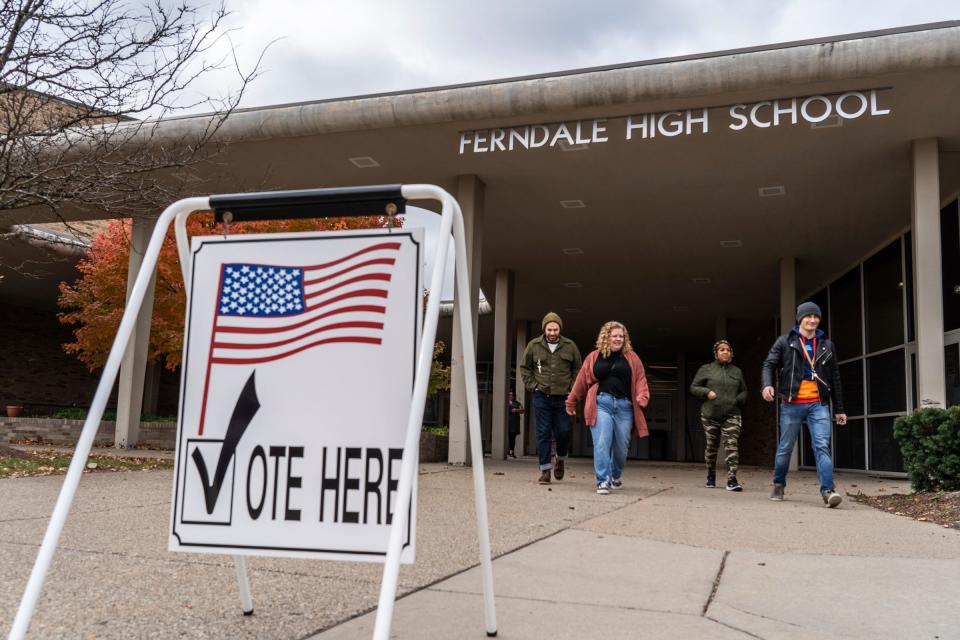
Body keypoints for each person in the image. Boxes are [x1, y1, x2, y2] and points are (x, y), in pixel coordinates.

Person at [762, 301, 848, 507]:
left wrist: (839, 409)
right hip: (791, 404)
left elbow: (835, 377)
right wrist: (766, 385)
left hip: (819, 404)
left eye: (816, 317)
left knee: (822, 447)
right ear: (800, 319)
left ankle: (828, 491)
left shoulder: (827, 345)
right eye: (808, 316)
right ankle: (778, 483)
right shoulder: (785, 342)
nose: (812, 320)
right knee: (785, 447)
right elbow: (769, 364)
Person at [566, 321, 649, 494]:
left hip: (624, 407)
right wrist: (571, 401)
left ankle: (615, 475)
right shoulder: (594, 357)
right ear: (606, 337)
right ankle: (603, 481)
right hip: (601, 404)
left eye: (621, 336)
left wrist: (642, 396)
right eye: (615, 336)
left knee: (622, 447)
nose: (618, 339)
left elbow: (641, 379)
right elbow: (581, 380)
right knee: (602, 442)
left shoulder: (632, 357)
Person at [520, 312, 582, 484]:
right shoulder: (533, 345)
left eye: (555, 329)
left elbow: (578, 369)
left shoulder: (570, 346)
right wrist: (533, 386)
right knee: (543, 433)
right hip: (541, 396)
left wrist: (573, 388)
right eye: (549, 329)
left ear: (560, 329)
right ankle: (545, 469)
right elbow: (525, 368)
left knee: (563, 431)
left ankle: (560, 459)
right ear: (544, 329)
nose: (552, 332)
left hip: (564, 397)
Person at [690, 340, 748, 491]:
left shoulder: (737, 371)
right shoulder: (706, 369)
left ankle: (732, 479)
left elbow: (744, 391)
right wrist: (706, 392)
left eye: (728, 350)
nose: (725, 352)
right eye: (722, 350)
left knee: (731, 444)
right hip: (710, 414)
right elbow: (694, 387)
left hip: (732, 414)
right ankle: (711, 475)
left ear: (731, 354)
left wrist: (739, 399)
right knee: (712, 446)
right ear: (716, 353)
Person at [507, 391, 524, 458]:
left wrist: (516, 410)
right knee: (507, 437)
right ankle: (506, 451)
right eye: (509, 395)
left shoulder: (517, 403)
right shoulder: (505, 402)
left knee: (512, 437)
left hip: (514, 423)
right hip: (507, 422)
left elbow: (523, 410)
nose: (511, 396)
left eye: (512, 395)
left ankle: (511, 452)